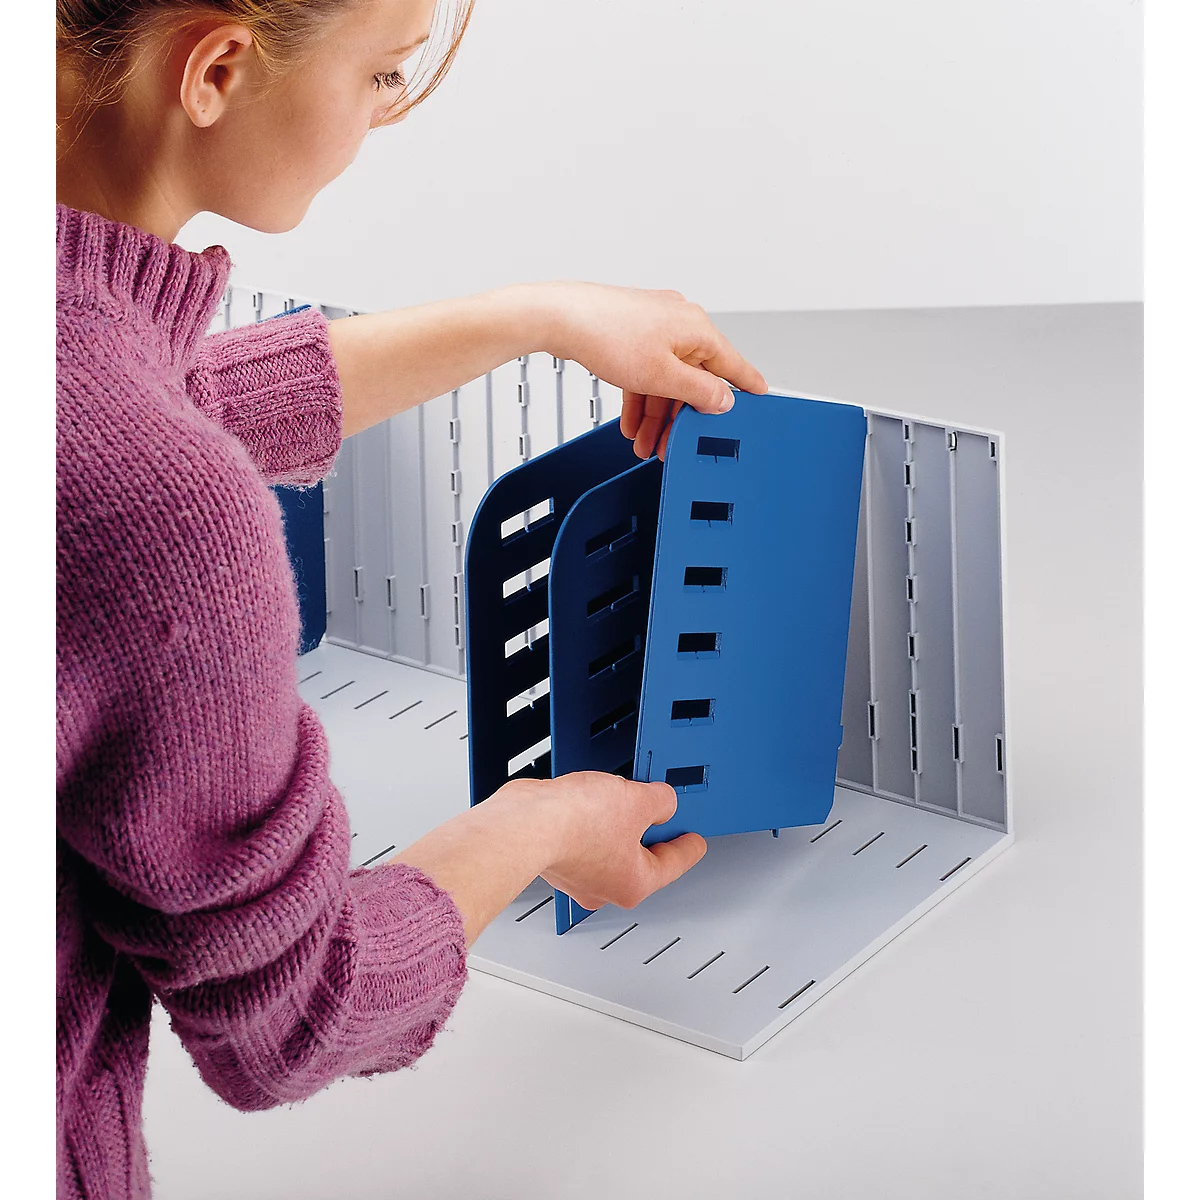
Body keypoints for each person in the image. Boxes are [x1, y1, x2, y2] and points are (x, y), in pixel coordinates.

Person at [56, 2, 768, 1195]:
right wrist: (534, 825)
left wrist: (531, 317)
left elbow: (135, 425)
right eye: (384, 74)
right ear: (219, 67)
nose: (389, 111)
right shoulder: (153, 501)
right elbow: (296, 1015)